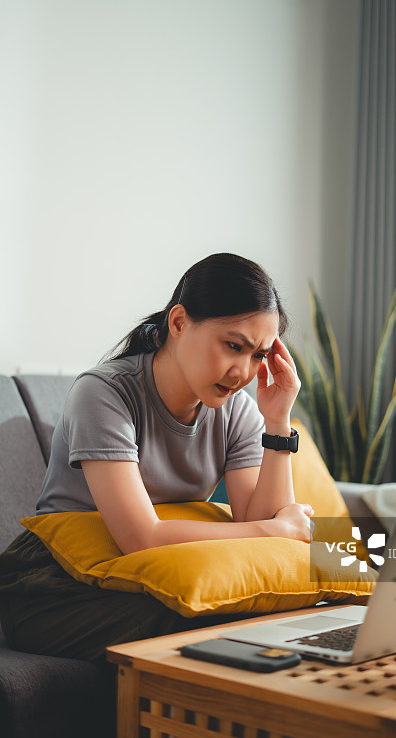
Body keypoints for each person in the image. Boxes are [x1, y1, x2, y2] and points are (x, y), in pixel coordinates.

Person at [0, 253, 313, 662]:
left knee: (273, 612)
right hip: (55, 588)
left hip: (156, 580)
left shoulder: (237, 411)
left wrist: (277, 422)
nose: (242, 373)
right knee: (215, 623)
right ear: (179, 323)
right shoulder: (104, 394)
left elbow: (261, 527)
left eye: (257, 355)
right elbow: (141, 538)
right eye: (233, 346)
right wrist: (276, 530)